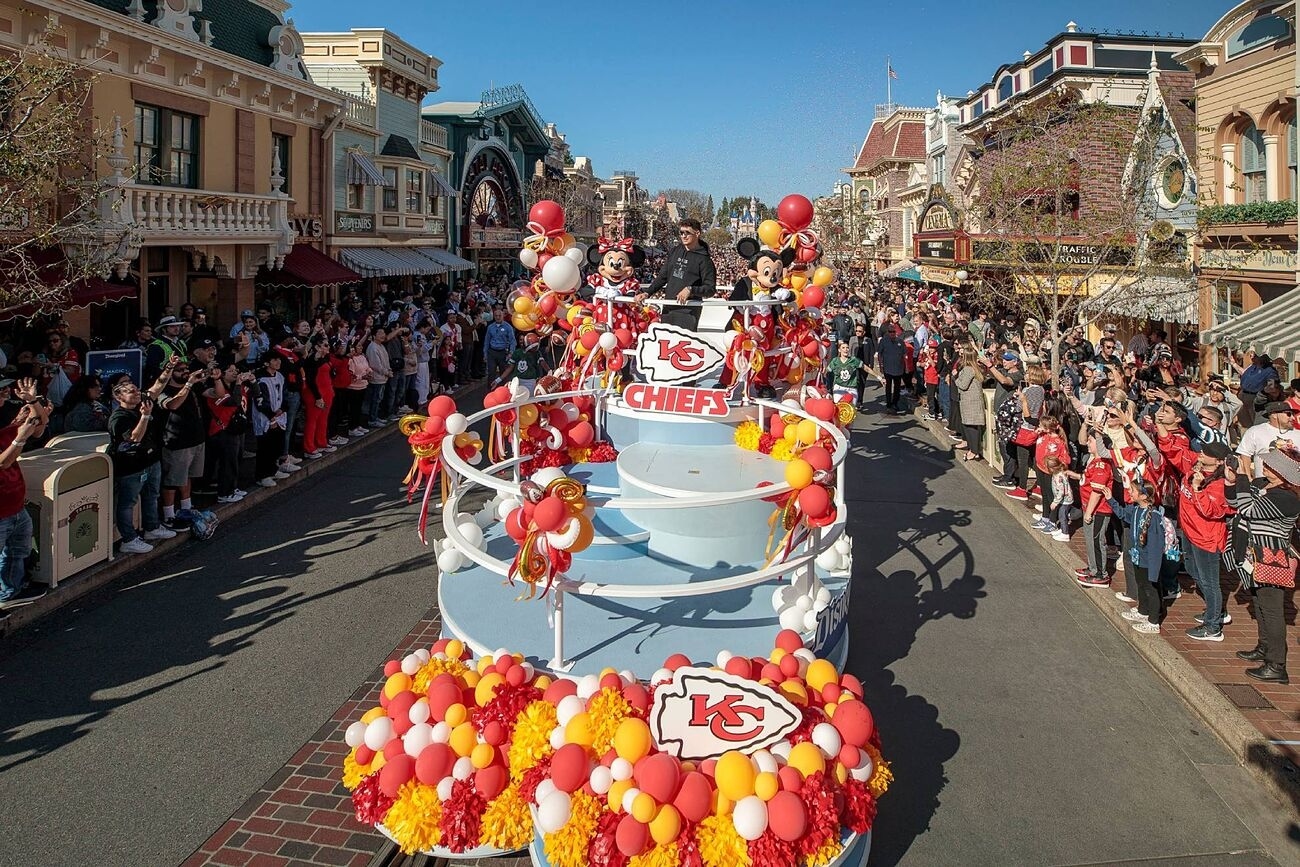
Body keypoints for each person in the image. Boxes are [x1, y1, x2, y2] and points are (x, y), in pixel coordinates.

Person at [1226, 448, 1300, 683]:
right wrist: (1232, 481)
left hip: (1271, 558)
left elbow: (1248, 508)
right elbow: (1235, 501)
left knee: (1272, 611)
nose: (1264, 468)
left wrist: (1242, 476)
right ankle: (1264, 647)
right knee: (1259, 604)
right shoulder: (1262, 484)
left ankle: (1277, 665)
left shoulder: (1286, 498)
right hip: (1254, 556)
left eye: (1270, 466)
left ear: (1284, 474)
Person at [108, 373, 177, 553]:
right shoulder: (118, 418)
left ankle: (152, 528)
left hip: (151, 460)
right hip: (131, 467)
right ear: (119, 397)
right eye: (131, 392)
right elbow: (133, 438)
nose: (137, 393)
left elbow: (158, 385)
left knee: (151, 495)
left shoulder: (142, 402)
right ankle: (128, 539)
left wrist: (168, 367)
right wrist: (145, 416)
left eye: (137, 390)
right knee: (127, 503)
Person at [0, 387, 51, 608]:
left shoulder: (8, 429)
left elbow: (39, 427)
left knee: (16, 552)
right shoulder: (13, 433)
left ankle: (12, 590)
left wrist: (34, 401)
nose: (5, 395)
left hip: (16, 507)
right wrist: (20, 437)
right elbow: (3, 462)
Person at [1108, 480, 1170, 634]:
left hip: (1149, 560)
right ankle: (1143, 610)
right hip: (1138, 557)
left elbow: (1156, 546)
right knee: (1141, 584)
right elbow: (1123, 514)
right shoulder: (1136, 510)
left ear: (1143, 496)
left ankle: (1153, 621)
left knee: (1152, 589)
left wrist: (1154, 569)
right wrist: (1110, 499)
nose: (1130, 492)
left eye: (1133, 491)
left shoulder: (1154, 518)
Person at [157, 358, 210, 531]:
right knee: (172, 480)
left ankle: (186, 507)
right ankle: (169, 515)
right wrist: (188, 384)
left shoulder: (194, 387)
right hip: (176, 443)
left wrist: (214, 377)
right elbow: (173, 405)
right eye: (180, 370)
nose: (185, 372)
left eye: (186, 369)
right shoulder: (163, 391)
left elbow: (214, 394)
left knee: (187, 476)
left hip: (196, 440)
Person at [646, 218, 717, 331]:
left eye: (687, 232)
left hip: (688, 311)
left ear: (697, 233)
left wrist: (691, 289)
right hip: (669, 307)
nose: (683, 236)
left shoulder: (705, 260)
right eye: (681, 233)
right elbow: (662, 277)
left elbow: (710, 289)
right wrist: (647, 293)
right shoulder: (675, 251)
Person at [203, 359, 252, 504]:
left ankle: (232, 487)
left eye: (235, 370)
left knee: (235, 460)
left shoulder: (234, 386)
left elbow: (253, 393)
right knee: (227, 462)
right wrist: (238, 384)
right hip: (222, 429)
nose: (235, 373)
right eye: (230, 371)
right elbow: (233, 402)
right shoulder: (216, 389)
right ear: (222, 374)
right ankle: (224, 493)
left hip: (235, 428)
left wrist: (251, 381)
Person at [1078, 431, 1118, 588]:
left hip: (1098, 510)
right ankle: (1093, 568)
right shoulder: (1092, 460)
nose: (1087, 443)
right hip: (1089, 507)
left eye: (1091, 441)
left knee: (1097, 540)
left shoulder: (1102, 463)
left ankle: (1101, 574)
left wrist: (1089, 512)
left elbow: (1097, 490)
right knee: (1089, 540)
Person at [252, 353, 289, 488]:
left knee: (276, 445)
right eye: (274, 359)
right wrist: (271, 416)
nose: (278, 362)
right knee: (265, 447)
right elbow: (260, 401)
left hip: (279, 415)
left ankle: (273, 470)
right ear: (267, 363)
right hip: (266, 418)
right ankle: (262, 475)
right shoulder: (261, 380)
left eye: (278, 359)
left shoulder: (280, 376)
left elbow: (284, 393)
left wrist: (283, 408)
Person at [301, 338, 336, 460]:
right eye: (325, 345)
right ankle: (309, 447)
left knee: (323, 419)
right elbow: (310, 380)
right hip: (315, 394)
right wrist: (317, 397)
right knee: (312, 420)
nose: (328, 347)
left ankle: (321, 442)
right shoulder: (311, 360)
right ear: (317, 347)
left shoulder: (325, 358)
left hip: (327, 392)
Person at [954, 347, 986, 463]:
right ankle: (973, 450)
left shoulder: (968, 369)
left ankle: (974, 451)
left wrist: (955, 377)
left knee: (971, 427)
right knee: (970, 426)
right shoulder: (975, 368)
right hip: (971, 401)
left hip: (970, 402)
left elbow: (963, 385)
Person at [364, 328, 392, 427]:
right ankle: (372, 419)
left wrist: (388, 370)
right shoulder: (372, 347)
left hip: (383, 377)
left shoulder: (381, 346)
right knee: (375, 399)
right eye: (380, 333)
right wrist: (386, 372)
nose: (383, 335)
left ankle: (375, 417)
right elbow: (375, 365)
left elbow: (386, 361)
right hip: (377, 378)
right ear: (374, 335)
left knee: (379, 399)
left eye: (384, 333)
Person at [145, 316, 187, 381]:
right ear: (163, 329)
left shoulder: (181, 342)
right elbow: (153, 369)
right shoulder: (156, 346)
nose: (176, 328)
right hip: (165, 382)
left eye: (178, 326)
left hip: (182, 379)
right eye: (172, 326)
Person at [876, 324, 907, 413]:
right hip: (887, 368)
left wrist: (906, 367)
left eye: (893, 332)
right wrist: (881, 366)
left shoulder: (900, 342)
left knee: (897, 388)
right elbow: (879, 354)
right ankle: (889, 404)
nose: (892, 333)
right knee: (888, 387)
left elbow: (904, 355)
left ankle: (895, 403)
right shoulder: (883, 341)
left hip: (898, 368)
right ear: (887, 333)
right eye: (890, 332)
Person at [483, 307, 516, 382]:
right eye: (496, 316)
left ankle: (503, 390)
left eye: (499, 315)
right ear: (494, 316)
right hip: (492, 352)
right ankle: (490, 391)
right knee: (491, 373)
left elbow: (512, 340)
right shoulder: (490, 327)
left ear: (503, 316)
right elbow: (487, 341)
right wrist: (485, 354)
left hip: (503, 352)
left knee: (503, 373)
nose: (498, 317)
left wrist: (511, 352)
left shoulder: (508, 327)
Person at [826, 340, 864, 405]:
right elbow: (827, 371)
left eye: (847, 348)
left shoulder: (853, 360)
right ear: (839, 350)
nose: (845, 349)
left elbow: (866, 368)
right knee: (839, 408)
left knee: (851, 409)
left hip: (851, 388)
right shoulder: (835, 361)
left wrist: (879, 377)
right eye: (843, 348)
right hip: (839, 387)